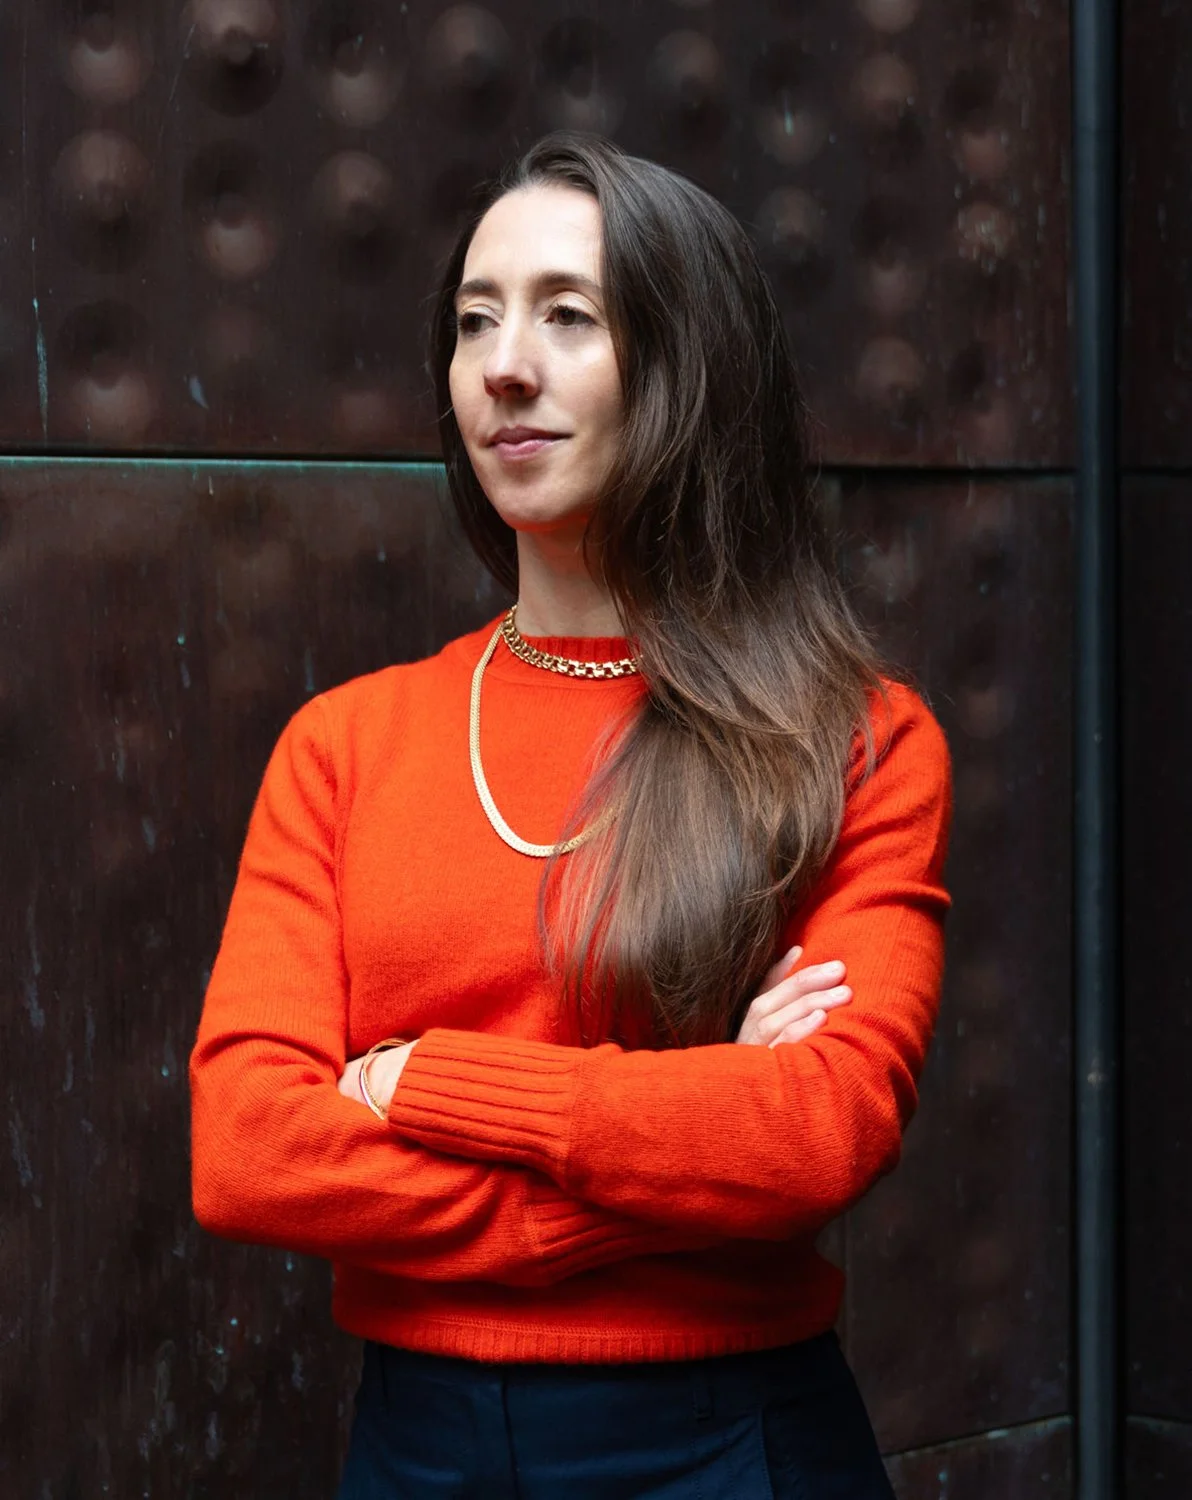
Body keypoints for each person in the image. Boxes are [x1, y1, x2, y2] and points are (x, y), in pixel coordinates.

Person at [189, 132, 951, 1498]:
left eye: (568, 316)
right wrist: (676, 1152)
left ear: (687, 366)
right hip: (417, 1450)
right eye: (475, 320)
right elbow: (248, 1149)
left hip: (735, 1447)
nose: (504, 367)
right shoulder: (345, 745)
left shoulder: (854, 740)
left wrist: (427, 1081)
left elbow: (818, 1133)